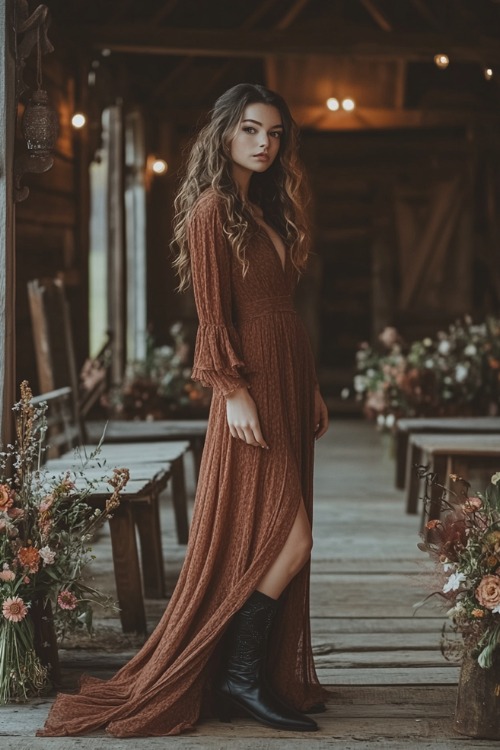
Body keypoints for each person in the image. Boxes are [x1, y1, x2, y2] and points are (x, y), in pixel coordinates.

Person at [38, 83, 330, 738]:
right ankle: (238, 673)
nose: (265, 143)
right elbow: (211, 316)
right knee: (291, 533)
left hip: (286, 380)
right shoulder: (209, 211)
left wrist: (308, 387)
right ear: (225, 133)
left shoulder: (265, 209)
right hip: (250, 386)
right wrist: (232, 391)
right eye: (252, 129)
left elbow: (281, 312)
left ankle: (244, 671)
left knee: (281, 533)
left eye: (276, 133)